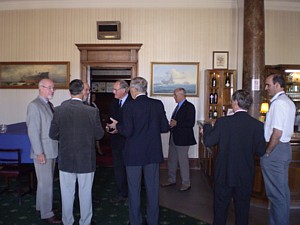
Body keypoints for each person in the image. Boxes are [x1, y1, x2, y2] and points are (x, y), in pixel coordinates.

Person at [107, 77, 169, 225]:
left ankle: (136, 221)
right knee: (152, 190)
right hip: (152, 153)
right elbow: (165, 127)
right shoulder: (157, 104)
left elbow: (127, 131)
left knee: (134, 190)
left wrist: (117, 126)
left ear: (133, 90)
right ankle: (153, 221)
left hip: (133, 153)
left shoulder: (130, 106)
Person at [201, 89, 266, 225]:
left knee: (220, 209)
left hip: (224, 173)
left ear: (235, 102)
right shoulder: (258, 126)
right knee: (242, 211)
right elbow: (260, 151)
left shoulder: (223, 122)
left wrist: (206, 128)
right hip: (245, 174)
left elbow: (208, 141)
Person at [49, 79, 104, 225]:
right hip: (86, 159)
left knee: (67, 194)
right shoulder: (92, 111)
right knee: (85, 193)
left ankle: (67, 221)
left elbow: (53, 134)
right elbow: (99, 135)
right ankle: (85, 222)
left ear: (69, 92)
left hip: (66, 158)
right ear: (82, 92)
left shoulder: (59, 110)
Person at [261, 74, 296, 225]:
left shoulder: (279, 103)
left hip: (276, 150)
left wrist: (267, 152)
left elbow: (277, 132)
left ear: (277, 85)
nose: (266, 88)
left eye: (268, 85)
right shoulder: (287, 101)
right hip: (283, 150)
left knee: (276, 195)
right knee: (282, 194)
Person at [26, 78, 61, 224]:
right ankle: (47, 214)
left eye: (53, 88)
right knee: (46, 183)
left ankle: (41, 207)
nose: (52, 91)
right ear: (41, 88)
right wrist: (39, 152)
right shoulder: (34, 105)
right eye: (49, 88)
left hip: (51, 150)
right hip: (43, 152)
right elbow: (33, 131)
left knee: (43, 182)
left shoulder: (48, 104)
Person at [161, 87, 196, 191]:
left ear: (182, 95)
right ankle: (171, 179)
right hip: (174, 138)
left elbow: (190, 123)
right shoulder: (178, 107)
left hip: (183, 139)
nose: (174, 97)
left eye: (175, 95)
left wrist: (176, 123)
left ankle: (186, 183)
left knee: (183, 161)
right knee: (172, 160)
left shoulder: (189, 106)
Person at [107, 80, 132, 203]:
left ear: (123, 90)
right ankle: (121, 193)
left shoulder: (133, 103)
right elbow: (110, 118)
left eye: (115, 90)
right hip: (116, 142)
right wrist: (109, 127)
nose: (113, 92)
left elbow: (133, 124)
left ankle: (131, 194)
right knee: (118, 170)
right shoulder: (113, 102)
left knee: (130, 170)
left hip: (129, 142)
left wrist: (119, 128)